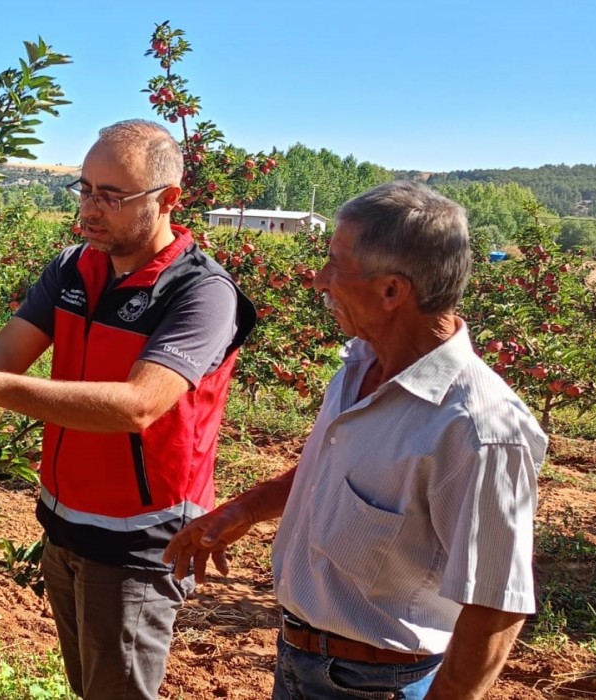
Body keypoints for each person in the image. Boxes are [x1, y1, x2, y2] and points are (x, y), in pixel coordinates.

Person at [0, 119, 257, 699]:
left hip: (141, 540)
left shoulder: (200, 293)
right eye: (86, 189)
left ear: (168, 200)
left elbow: (139, 406)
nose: (91, 208)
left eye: (112, 196)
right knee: (86, 686)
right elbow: (5, 350)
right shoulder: (74, 267)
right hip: (64, 522)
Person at [163, 180, 547, 700]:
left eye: (336, 265)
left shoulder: (480, 429)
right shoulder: (360, 364)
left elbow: (497, 603)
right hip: (302, 661)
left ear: (392, 291)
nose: (320, 280)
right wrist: (240, 511)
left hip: (379, 685)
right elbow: (335, 472)